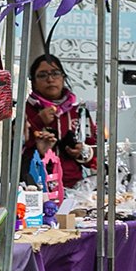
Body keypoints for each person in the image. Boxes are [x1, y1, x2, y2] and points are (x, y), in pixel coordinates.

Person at [23, 54, 94, 195]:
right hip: (33, 187)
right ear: (34, 82)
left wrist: (82, 152)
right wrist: (38, 122)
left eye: (55, 73)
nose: (50, 79)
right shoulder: (24, 109)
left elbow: (95, 148)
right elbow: (13, 149)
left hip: (74, 187)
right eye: (42, 75)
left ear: (63, 78)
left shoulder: (78, 110)